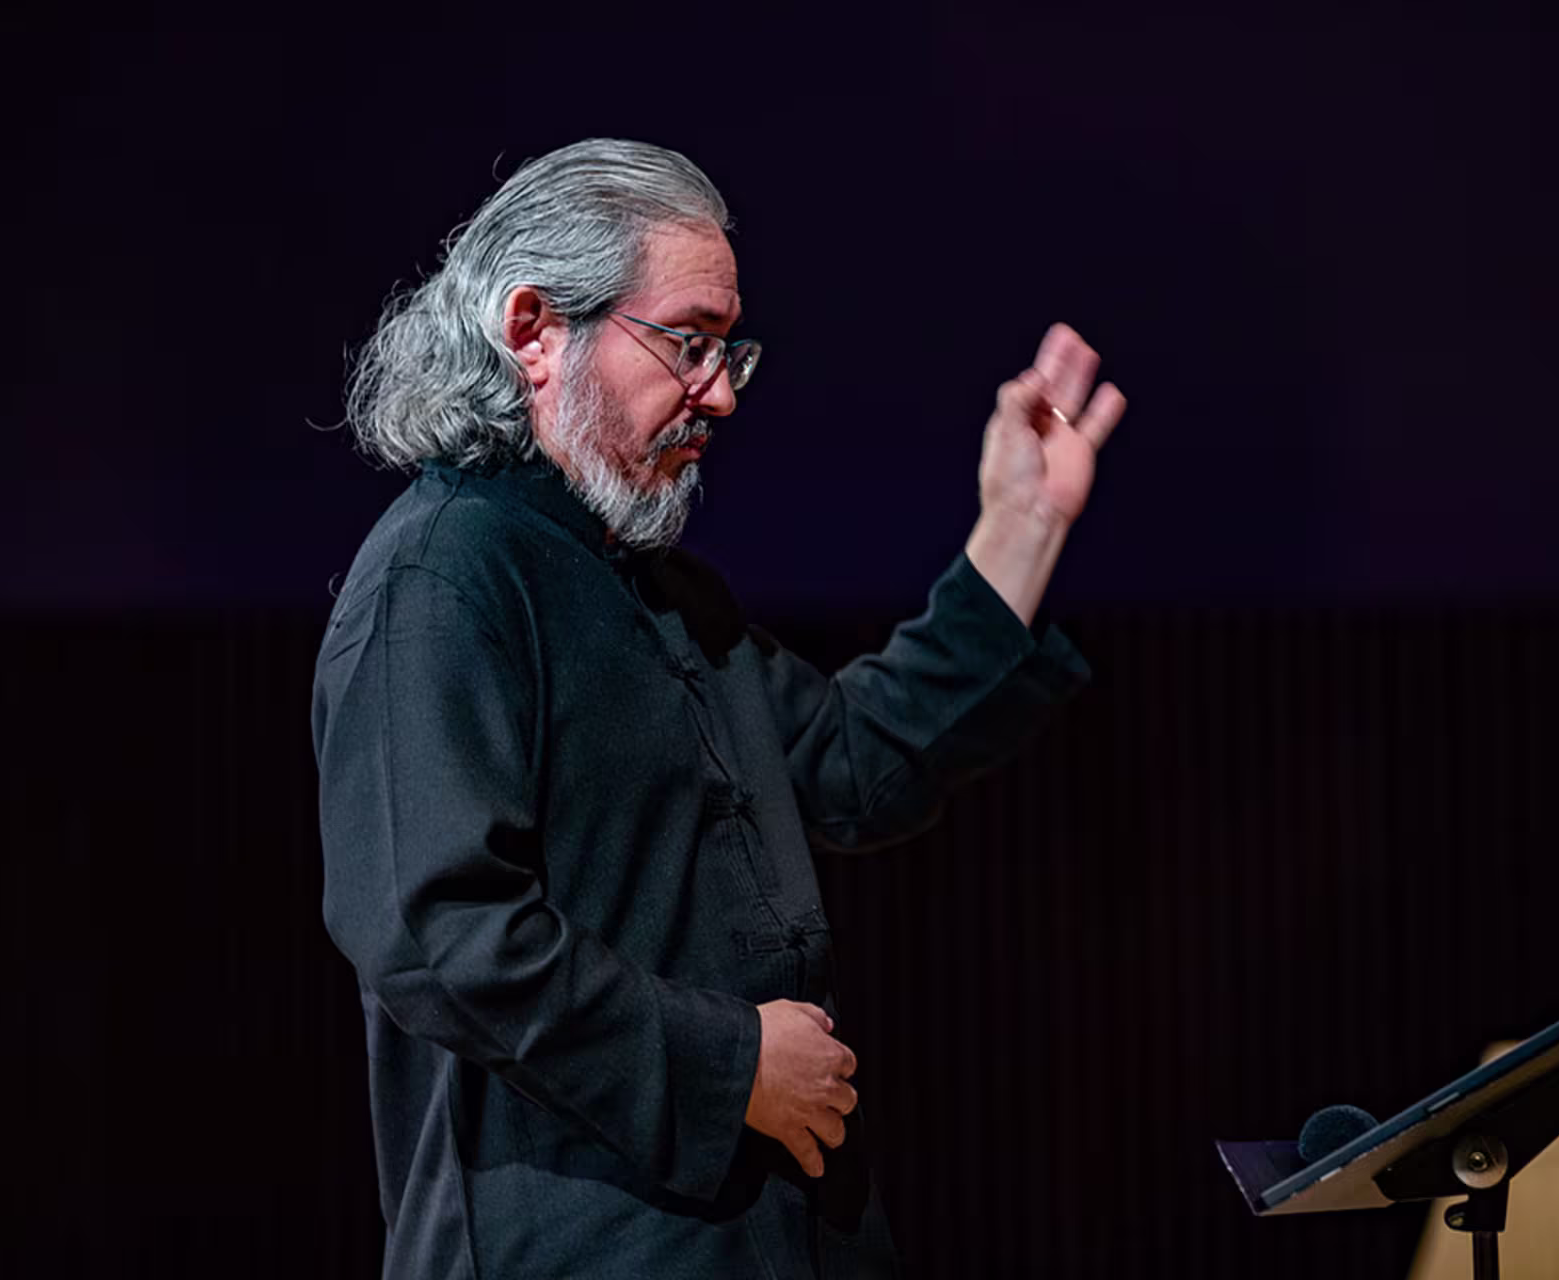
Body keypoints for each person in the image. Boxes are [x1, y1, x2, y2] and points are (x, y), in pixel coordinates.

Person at [312, 137, 1126, 1279]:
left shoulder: (657, 586)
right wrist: (728, 1063)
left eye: (730, 349)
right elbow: (436, 933)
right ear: (536, 329)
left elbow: (849, 766)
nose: (725, 391)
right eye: (688, 344)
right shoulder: (444, 576)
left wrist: (1020, 526)